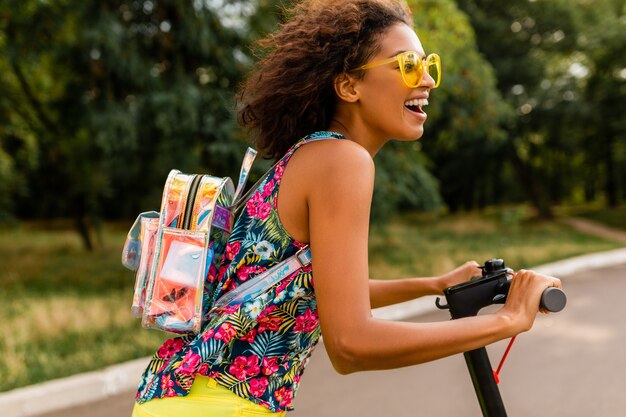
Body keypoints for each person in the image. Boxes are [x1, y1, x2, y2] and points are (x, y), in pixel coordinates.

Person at [131, 0, 561, 416]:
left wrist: (433, 283)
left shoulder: (313, 156)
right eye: (408, 66)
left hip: (187, 398)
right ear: (349, 86)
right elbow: (352, 344)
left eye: (429, 65)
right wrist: (508, 320)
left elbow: (320, 288)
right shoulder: (343, 162)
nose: (426, 80)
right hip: (217, 408)